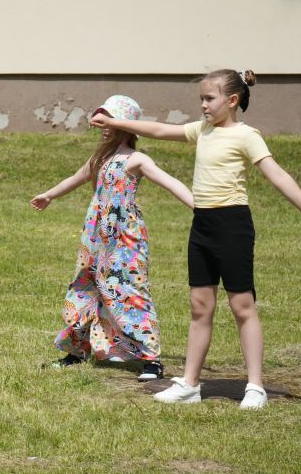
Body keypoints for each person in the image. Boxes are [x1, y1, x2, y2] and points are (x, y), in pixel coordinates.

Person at [91, 70, 301, 409]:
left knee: (241, 306)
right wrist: (116, 120)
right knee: (199, 307)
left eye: (209, 99)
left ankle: (255, 386)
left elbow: (277, 174)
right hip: (202, 225)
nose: (203, 105)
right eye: (201, 99)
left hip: (233, 225)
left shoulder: (247, 136)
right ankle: (190, 384)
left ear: (232, 100)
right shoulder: (202, 130)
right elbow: (161, 130)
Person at [31, 95, 194, 381]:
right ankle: (76, 351)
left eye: (111, 119)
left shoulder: (137, 159)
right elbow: (76, 177)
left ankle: (151, 359)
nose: (105, 126)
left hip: (124, 237)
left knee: (130, 291)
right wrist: (49, 195)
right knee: (85, 287)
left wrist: (199, 207)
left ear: (125, 124)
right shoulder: (100, 158)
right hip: (95, 236)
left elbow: (170, 182)